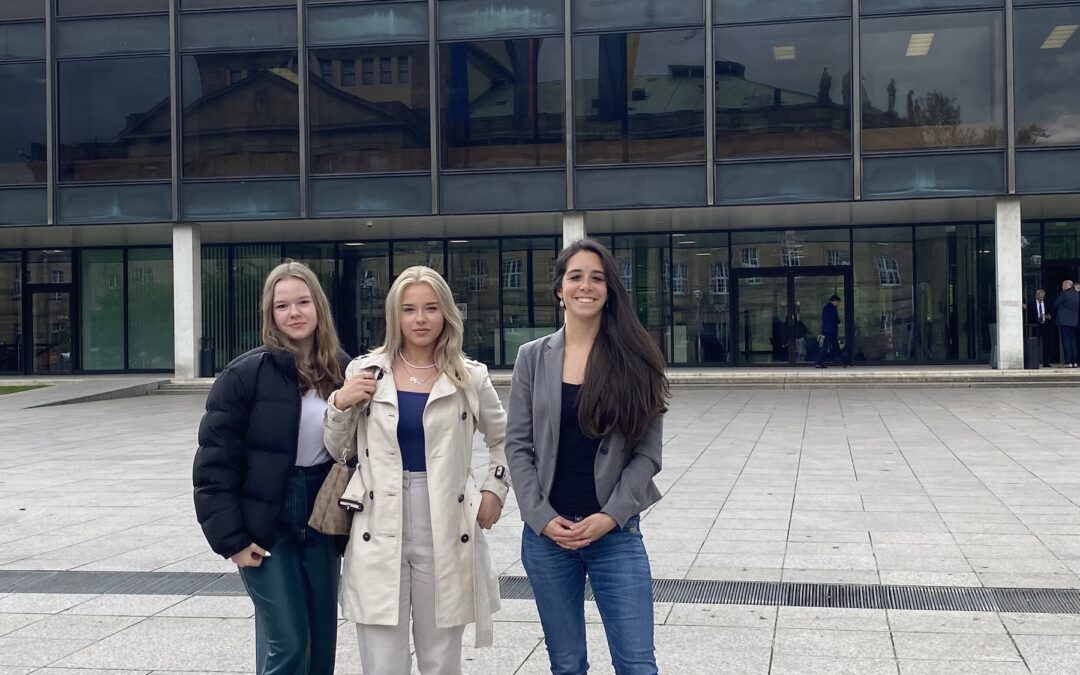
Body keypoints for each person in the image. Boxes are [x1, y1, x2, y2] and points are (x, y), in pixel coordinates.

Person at [324, 265, 509, 675]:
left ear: (446, 313)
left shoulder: (469, 377)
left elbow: (506, 440)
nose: (420, 319)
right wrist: (339, 402)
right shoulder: (366, 370)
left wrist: (495, 489)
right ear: (395, 315)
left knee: (441, 658)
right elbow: (337, 448)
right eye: (409, 309)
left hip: (443, 516)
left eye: (430, 308)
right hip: (377, 516)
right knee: (382, 660)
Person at [506, 238, 670, 675]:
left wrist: (612, 515)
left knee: (637, 663)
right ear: (559, 288)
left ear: (610, 289)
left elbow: (647, 454)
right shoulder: (531, 358)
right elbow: (517, 446)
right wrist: (539, 517)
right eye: (575, 276)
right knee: (567, 664)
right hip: (548, 539)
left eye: (597, 278)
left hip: (614, 536)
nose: (586, 286)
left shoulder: (637, 357)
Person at [194, 261, 349, 675]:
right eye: (283, 306)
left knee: (320, 646)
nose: (294, 313)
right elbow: (214, 465)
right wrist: (231, 539)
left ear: (319, 307)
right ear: (271, 314)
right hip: (266, 522)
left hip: (322, 518)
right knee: (289, 644)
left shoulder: (342, 371)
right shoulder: (245, 374)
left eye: (303, 302)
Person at [1054, 280, 1079, 368]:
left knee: (1066, 341)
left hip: (1064, 321)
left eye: (1063, 285)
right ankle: (1075, 362)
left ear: (1067, 285)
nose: (1062, 287)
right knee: (1073, 341)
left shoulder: (1064, 293)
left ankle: (1068, 361)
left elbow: (1055, 304)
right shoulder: (1077, 294)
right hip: (1074, 321)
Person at [815, 294, 843, 368]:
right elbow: (832, 319)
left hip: (829, 331)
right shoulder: (830, 308)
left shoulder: (829, 308)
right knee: (825, 347)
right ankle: (818, 362)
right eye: (837, 302)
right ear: (834, 300)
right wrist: (838, 321)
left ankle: (844, 361)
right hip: (830, 331)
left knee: (834, 347)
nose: (837, 304)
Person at [1029, 288, 1053, 367]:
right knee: (1035, 344)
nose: (1041, 298)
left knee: (1046, 344)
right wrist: (1038, 316)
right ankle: (1034, 361)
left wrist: (1048, 316)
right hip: (1036, 325)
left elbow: (1051, 313)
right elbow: (1030, 315)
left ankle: (1046, 362)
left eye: (1042, 297)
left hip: (1045, 326)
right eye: (1039, 297)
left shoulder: (1048, 303)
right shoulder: (1031, 304)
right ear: (1036, 296)